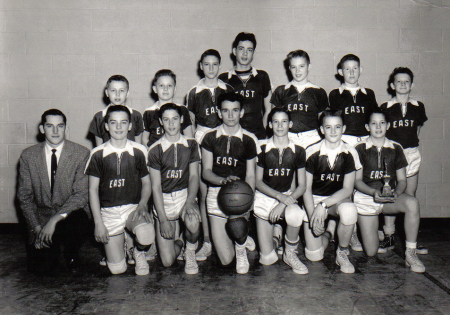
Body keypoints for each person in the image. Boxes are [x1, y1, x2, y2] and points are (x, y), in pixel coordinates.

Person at [17, 109, 90, 274]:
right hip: (42, 219)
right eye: (50, 126)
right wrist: (37, 229)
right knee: (43, 269)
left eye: (60, 126)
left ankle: (72, 252)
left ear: (65, 128)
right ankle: (52, 247)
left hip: (70, 216)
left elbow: (81, 195)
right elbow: (24, 198)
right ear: (42, 129)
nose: (55, 131)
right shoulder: (28, 156)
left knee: (78, 218)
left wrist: (54, 220)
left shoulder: (81, 153)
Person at [86, 105, 155, 276]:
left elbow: (147, 184)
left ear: (130, 126)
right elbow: (93, 190)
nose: (118, 127)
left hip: (132, 208)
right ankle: (124, 243)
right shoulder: (97, 154)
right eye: (113, 123)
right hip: (109, 212)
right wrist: (98, 223)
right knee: (117, 269)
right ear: (106, 126)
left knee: (146, 234)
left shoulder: (139, 151)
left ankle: (138, 251)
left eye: (123, 123)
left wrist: (142, 205)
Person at [354, 108, 425, 273]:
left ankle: (411, 253)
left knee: (412, 203)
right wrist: (373, 193)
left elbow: (401, 181)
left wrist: (396, 193)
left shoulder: (396, 148)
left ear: (387, 125)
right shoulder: (359, 148)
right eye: (373, 123)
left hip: (388, 200)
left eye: (382, 123)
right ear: (367, 126)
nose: (378, 127)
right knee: (371, 252)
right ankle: (364, 230)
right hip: (367, 198)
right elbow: (356, 181)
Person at [201, 92, 258, 274]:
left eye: (235, 111)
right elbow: (206, 172)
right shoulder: (209, 138)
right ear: (219, 112)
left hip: (239, 195)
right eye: (226, 111)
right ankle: (239, 237)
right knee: (226, 260)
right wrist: (222, 180)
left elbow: (250, 175)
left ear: (241, 112)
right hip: (216, 193)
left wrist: (248, 203)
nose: (231, 115)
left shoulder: (249, 139)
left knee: (237, 228)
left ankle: (240, 243)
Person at [187, 49, 234, 261]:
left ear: (220, 66)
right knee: (204, 193)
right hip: (202, 141)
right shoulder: (193, 92)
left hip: (225, 142)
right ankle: (206, 241)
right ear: (201, 66)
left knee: (231, 188)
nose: (211, 69)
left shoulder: (228, 88)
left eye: (215, 64)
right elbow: (190, 124)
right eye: (207, 64)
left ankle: (234, 236)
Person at [328, 54, 378, 252]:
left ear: (361, 70)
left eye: (355, 68)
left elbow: (374, 119)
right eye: (346, 69)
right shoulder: (335, 94)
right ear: (340, 72)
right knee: (346, 188)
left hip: (364, 143)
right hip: (345, 142)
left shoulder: (369, 94)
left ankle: (357, 230)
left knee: (361, 186)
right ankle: (349, 232)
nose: (351, 72)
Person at [303, 109, 360, 274]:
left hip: (336, 201)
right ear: (321, 129)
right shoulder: (311, 152)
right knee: (314, 256)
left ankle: (341, 252)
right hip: (313, 199)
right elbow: (306, 189)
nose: (333, 131)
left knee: (349, 210)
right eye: (328, 127)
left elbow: (348, 189)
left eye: (337, 127)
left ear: (344, 128)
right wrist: (313, 215)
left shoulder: (350, 153)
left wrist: (324, 205)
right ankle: (330, 231)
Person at [379, 67, 428, 254]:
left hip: (412, 153)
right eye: (398, 81)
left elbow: (417, 130)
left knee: (410, 194)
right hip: (393, 155)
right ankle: (389, 235)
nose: (402, 84)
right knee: (391, 192)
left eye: (406, 81)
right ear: (392, 85)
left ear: (412, 85)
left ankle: (412, 239)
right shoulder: (386, 107)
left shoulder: (418, 106)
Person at [148, 104, 201, 274]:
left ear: (182, 120)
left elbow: (194, 176)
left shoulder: (192, 145)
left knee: (193, 222)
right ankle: (180, 241)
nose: (171, 124)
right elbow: (155, 186)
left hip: (184, 196)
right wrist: (162, 219)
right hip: (163, 200)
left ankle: (190, 251)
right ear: (161, 122)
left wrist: (190, 201)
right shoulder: (155, 149)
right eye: (166, 120)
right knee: (167, 262)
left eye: (175, 119)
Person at [255, 108, 308, 274]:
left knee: (296, 214)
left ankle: (290, 253)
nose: (280, 125)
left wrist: (284, 201)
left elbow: (302, 186)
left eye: (284, 121)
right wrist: (278, 197)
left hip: (287, 196)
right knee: (267, 259)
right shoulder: (262, 147)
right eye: (275, 122)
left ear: (290, 124)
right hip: (265, 197)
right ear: (270, 124)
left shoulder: (298, 150)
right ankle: (276, 236)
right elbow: (257, 181)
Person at [219, 32, 272, 140]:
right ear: (234, 51)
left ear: (253, 53)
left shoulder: (262, 76)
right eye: (241, 49)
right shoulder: (224, 79)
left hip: (258, 137)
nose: (245, 53)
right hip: (233, 136)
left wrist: (264, 132)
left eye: (249, 50)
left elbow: (269, 109)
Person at [271, 50, 329, 149]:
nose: (297, 71)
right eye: (294, 67)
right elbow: (274, 120)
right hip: (287, 138)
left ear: (309, 67)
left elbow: (323, 122)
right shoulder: (281, 91)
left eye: (301, 66)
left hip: (313, 139)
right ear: (289, 68)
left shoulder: (318, 92)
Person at [142, 69, 193, 149]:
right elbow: (144, 139)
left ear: (175, 89)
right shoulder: (149, 112)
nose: (165, 89)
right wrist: (151, 153)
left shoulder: (182, 109)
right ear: (155, 89)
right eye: (161, 85)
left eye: (169, 85)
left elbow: (189, 137)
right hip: (156, 156)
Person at [89, 75, 144, 146]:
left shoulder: (136, 115)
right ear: (107, 93)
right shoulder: (99, 117)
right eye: (113, 90)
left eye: (121, 91)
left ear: (127, 93)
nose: (117, 94)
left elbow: (138, 145)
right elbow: (98, 147)